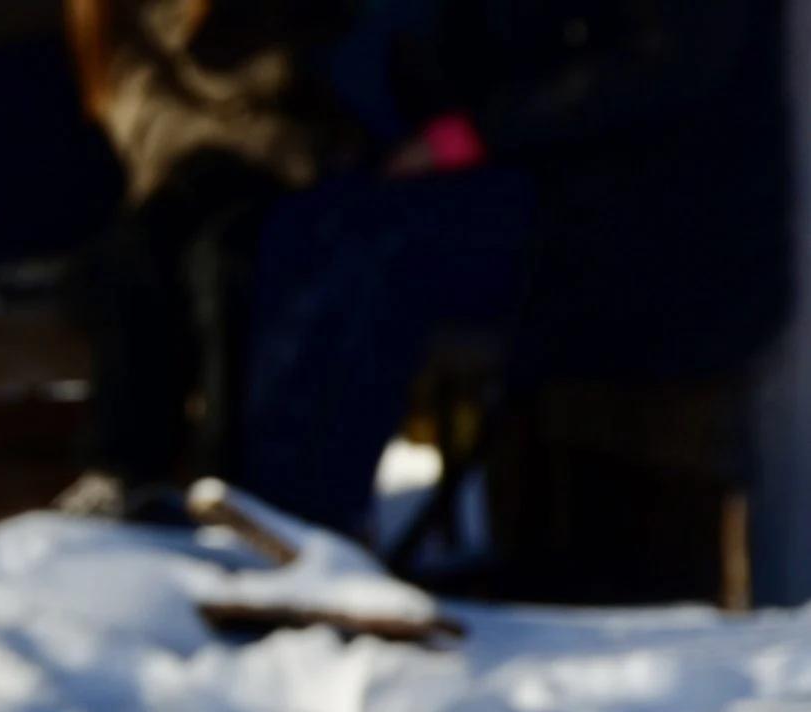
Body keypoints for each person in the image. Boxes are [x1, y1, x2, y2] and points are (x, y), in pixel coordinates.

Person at [232, 0, 794, 540]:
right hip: (536, 186)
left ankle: (307, 526)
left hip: (658, 224)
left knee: (376, 255)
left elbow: (671, 65)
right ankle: (256, 514)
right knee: (305, 226)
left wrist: (475, 133)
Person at [58, 0, 360, 523]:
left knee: (230, 267)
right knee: (132, 258)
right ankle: (125, 472)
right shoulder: (120, 16)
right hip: (179, 175)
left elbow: (325, 88)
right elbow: (129, 101)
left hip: (292, 185)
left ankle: (228, 484)